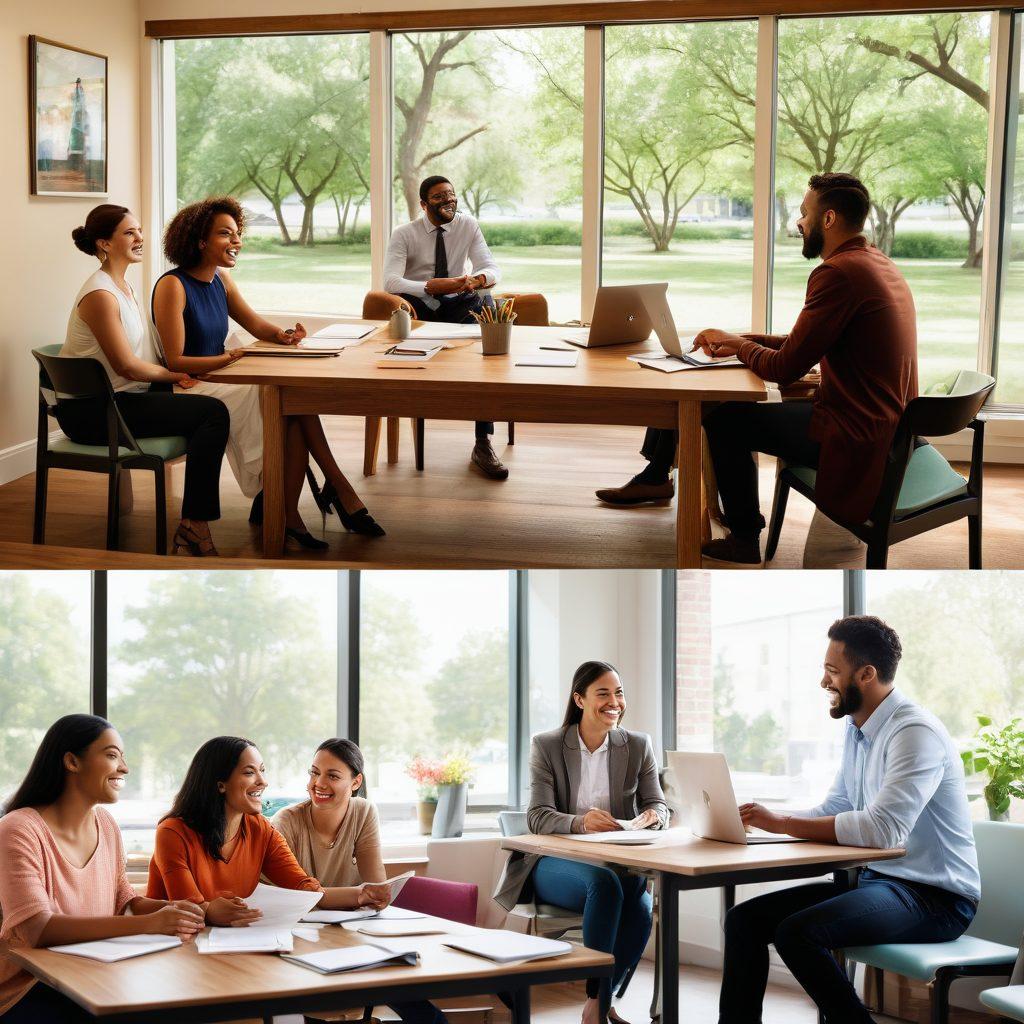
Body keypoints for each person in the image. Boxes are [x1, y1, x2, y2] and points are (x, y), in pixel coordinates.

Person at [596, 172, 918, 565]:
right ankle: (656, 476)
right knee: (694, 385)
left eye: (804, 213)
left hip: (854, 432)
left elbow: (784, 368)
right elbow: (805, 345)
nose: (799, 224)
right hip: (884, 422)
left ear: (828, 220)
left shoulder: (837, 274)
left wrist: (742, 346)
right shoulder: (873, 262)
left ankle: (744, 537)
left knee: (724, 418)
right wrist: (739, 340)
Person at [718, 616, 980, 1024]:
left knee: (797, 933)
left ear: (867, 674)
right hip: (879, 883)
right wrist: (762, 817)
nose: (824, 681)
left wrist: (784, 822)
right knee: (744, 921)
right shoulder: (858, 730)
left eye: (832, 671)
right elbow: (835, 807)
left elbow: (883, 830)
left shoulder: (914, 732)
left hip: (936, 899)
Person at [152, 196, 384, 547]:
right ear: (200, 241)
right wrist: (231, 357)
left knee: (293, 403)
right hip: (191, 388)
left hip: (221, 377)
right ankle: (319, 494)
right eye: (225, 234)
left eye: (237, 233)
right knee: (287, 404)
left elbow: (256, 324)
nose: (237, 242)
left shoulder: (221, 280)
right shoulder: (173, 285)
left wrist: (284, 336)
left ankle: (295, 506)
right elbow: (175, 361)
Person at [494, 662, 668, 1024]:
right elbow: (538, 816)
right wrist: (580, 822)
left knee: (638, 894)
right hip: (552, 864)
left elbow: (659, 804)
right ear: (579, 699)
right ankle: (599, 1000)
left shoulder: (637, 745)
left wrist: (653, 816)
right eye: (603, 693)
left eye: (618, 692)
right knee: (606, 887)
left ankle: (596, 1007)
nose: (614, 702)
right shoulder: (547, 745)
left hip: (615, 861)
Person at [0, 715, 204, 1023]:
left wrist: (183, 912)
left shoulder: (106, 826)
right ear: (72, 761)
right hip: (28, 989)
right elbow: (37, 929)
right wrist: (152, 923)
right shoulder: (19, 829)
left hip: (92, 976)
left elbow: (126, 901)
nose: (124, 768)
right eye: (111, 755)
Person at [59, 204, 230, 557]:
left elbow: (136, 364)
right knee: (212, 413)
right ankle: (194, 526)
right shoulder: (100, 295)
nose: (140, 238)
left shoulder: (123, 286)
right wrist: (177, 375)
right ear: (104, 244)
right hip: (94, 413)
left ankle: (196, 520)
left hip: (120, 400)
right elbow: (127, 366)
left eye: (139, 230)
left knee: (211, 404)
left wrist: (174, 376)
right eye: (129, 233)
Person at [272, 738, 448, 1024]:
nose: (319, 783)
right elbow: (295, 897)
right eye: (314, 772)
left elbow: (375, 886)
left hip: (352, 935)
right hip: (302, 939)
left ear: (356, 782)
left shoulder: (364, 811)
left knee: (431, 1019)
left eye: (332, 775)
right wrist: (358, 895)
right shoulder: (286, 822)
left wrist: (372, 895)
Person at [146, 736, 387, 922]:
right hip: (174, 946)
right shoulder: (172, 832)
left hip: (230, 944)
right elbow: (189, 908)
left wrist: (361, 894)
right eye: (250, 772)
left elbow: (304, 888)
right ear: (220, 784)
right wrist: (209, 910)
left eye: (262, 771)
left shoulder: (260, 829)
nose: (263, 781)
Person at [383, 175, 508, 481]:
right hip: (421, 306)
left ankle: (483, 442)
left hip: (461, 301)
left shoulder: (468, 225)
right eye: (438, 197)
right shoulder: (404, 234)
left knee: (487, 335)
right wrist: (429, 285)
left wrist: (478, 280)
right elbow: (390, 281)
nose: (448, 201)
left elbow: (491, 267)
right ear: (424, 204)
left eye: (451, 195)